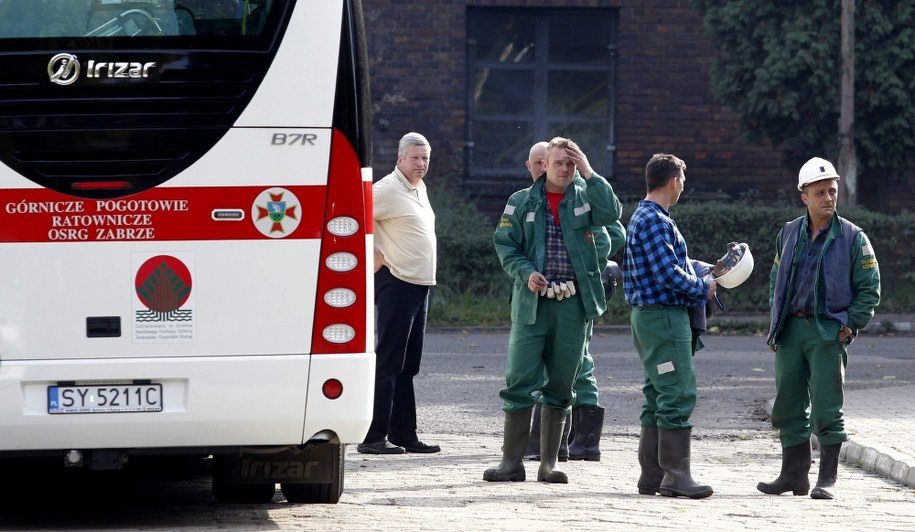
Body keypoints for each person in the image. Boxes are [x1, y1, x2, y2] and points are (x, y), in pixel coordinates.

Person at [484, 137, 622, 483]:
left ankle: (549, 464)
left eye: (571, 164)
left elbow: (612, 214)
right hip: (532, 304)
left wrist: (589, 171)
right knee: (519, 380)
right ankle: (511, 463)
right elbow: (505, 246)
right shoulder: (521, 201)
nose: (565, 169)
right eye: (559, 163)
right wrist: (525, 272)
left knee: (562, 384)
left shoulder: (586, 197)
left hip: (573, 305)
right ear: (544, 165)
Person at [758, 156, 880, 499]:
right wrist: (775, 324)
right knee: (787, 405)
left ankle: (827, 478)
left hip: (828, 331)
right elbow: (776, 280)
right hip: (790, 332)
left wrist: (850, 324)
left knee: (827, 408)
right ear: (804, 197)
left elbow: (870, 288)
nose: (828, 198)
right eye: (820, 192)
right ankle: (793, 476)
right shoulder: (788, 233)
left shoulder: (853, 237)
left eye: (832, 191)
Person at [521, 141, 624, 462]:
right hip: (547, 292)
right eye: (539, 163)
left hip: (580, 289)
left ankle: (577, 441)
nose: (544, 168)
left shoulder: (579, 191)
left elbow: (614, 232)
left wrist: (584, 260)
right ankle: (568, 441)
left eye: (548, 162)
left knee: (577, 362)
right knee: (566, 361)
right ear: (531, 167)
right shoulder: (531, 199)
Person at [624, 153, 716, 499]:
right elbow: (667, 274)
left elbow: (668, 264)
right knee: (677, 391)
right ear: (674, 181)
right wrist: (703, 287)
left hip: (649, 318)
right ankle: (676, 476)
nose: (683, 187)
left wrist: (698, 267)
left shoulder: (645, 215)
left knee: (657, 392)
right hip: (663, 318)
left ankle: (652, 476)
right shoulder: (655, 220)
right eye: (683, 181)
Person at [357, 132, 441, 455]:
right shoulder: (388, 188)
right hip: (397, 283)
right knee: (389, 361)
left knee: (408, 365)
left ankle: (405, 434)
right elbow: (351, 211)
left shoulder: (419, 187)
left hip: (420, 286)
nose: (421, 163)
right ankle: (372, 437)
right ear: (400, 159)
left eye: (425, 158)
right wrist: (372, 254)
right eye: (415, 157)